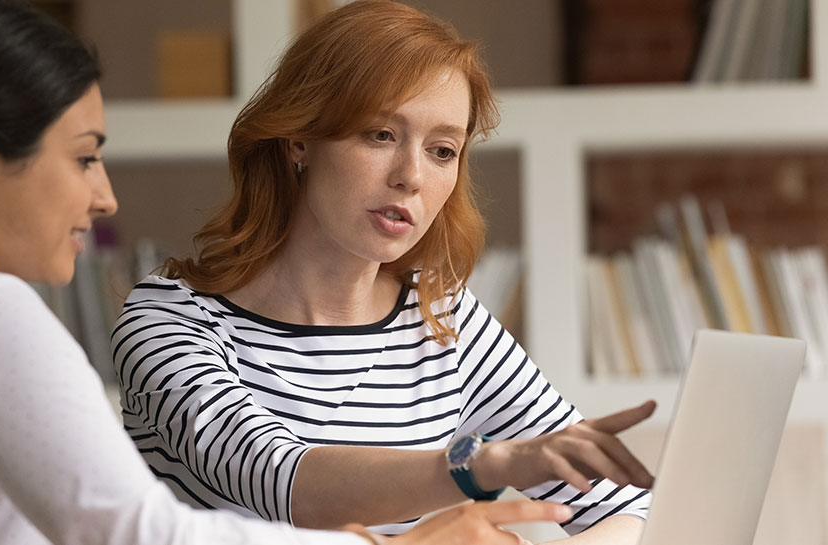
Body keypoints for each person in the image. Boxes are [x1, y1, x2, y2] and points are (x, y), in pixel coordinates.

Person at [0, 1, 575, 544]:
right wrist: (409, 535)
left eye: (444, 150)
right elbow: (140, 530)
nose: (105, 194)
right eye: (84, 155)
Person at [111, 0, 656, 542]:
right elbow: (285, 484)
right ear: (301, 137)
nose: (412, 176)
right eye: (380, 135)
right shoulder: (169, 320)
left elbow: (623, 504)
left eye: (443, 150)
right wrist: (485, 467)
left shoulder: (442, 318)